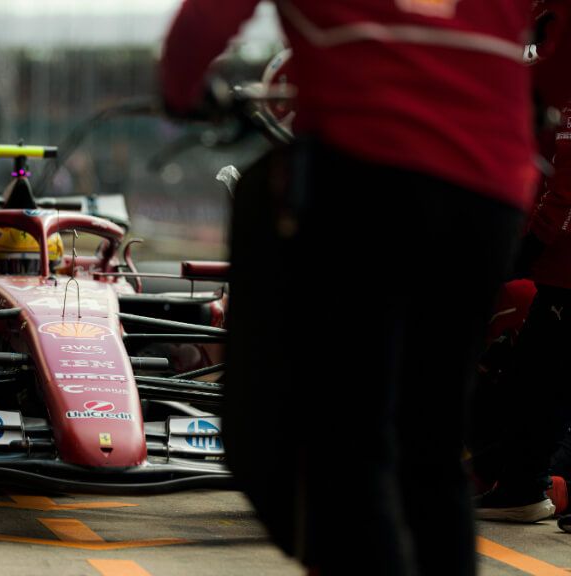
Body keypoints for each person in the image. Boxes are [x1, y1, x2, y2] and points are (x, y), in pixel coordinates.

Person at [162, 1, 539, 574]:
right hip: (487, 192)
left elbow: (204, 21)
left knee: (351, 432)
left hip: (369, 176)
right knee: (432, 438)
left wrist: (179, 90)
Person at [469, 0, 571, 524]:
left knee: (540, 377)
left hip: (558, 266)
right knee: (535, 376)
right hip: (552, 265)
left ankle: (530, 484)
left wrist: (528, 247)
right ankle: (518, 481)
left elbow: (565, 187)